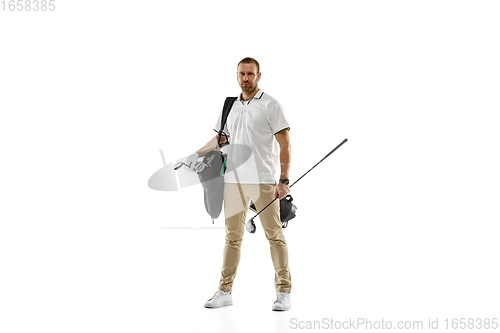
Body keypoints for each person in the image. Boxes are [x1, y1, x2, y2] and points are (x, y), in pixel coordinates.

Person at [186, 57, 292, 311]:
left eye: (250, 74)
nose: (246, 78)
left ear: (258, 76)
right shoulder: (229, 106)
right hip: (233, 181)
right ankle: (224, 291)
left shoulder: (271, 105)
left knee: (274, 236)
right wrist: (195, 154)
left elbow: (285, 143)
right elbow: (221, 137)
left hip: (264, 181)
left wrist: (284, 179)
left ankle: (283, 292)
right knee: (232, 238)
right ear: (236, 76)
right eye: (242, 74)